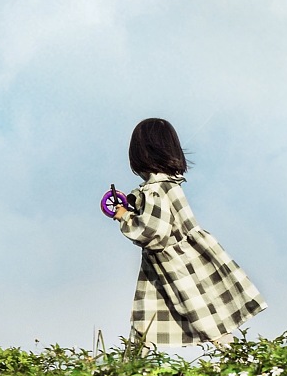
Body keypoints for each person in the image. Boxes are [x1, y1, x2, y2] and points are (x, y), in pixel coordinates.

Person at [104, 117, 265, 349]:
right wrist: (131, 204)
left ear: (140, 154)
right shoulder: (169, 185)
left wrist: (124, 216)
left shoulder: (155, 190)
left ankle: (241, 365)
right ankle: (130, 368)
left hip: (176, 266)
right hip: (178, 261)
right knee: (149, 319)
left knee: (204, 320)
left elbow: (153, 232)